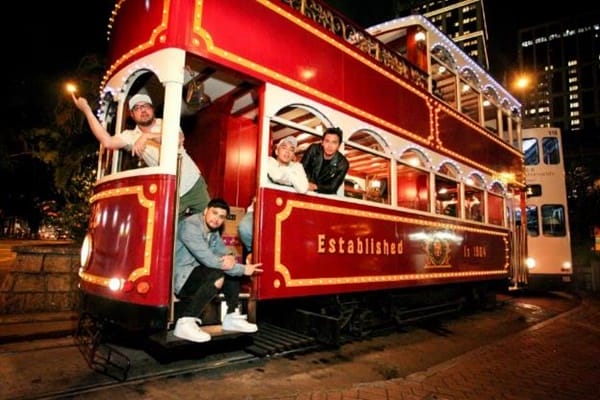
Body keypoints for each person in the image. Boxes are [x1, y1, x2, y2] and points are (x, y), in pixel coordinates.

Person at [72, 92, 210, 218]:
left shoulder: (167, 123)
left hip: (193, 183)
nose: (143, 110)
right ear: (132, 115)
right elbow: (107, 142)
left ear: (152, 109)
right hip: (170, 192)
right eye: (137, 108)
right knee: (169, 232)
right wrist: (87, 110)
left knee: (211, 223)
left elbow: (177, 140)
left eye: (146, 106)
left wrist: (147, 136)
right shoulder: (131, 136)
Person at [174, 198, 263, 342]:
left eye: (221, 217)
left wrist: (230, 257)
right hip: (181, 278)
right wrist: (243, 269)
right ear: (205, 211)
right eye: (214, 213)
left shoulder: (213, 231)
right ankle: (185, 321)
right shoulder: (190, 226)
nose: (217, 219)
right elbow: (209, 260)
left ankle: (231, 316)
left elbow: (223, 251)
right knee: (219, 275)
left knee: (230, 271)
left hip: (198, 272)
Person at [237, 136, 309, 253]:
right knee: (244, 227)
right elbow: (276, 176)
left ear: (293, 155)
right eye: (284, 147)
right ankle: (253, 252)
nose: (287, 152)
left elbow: (303, 188)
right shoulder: (268, 161)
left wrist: (286, 172)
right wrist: (293, 176)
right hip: (262, 209)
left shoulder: (297, 166)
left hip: (284, 212)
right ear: (276, 151)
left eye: (291, 149)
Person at [301, 127, 349, 194]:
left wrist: (315, 187)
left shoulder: (343, 163)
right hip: (303, 189)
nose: (330, 146)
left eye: (334, 142)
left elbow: (333, 187)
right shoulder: (313, 149)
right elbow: (300, 170)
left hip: (323, 195)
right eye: (327, 141)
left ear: (339, 145)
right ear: (322, 142)